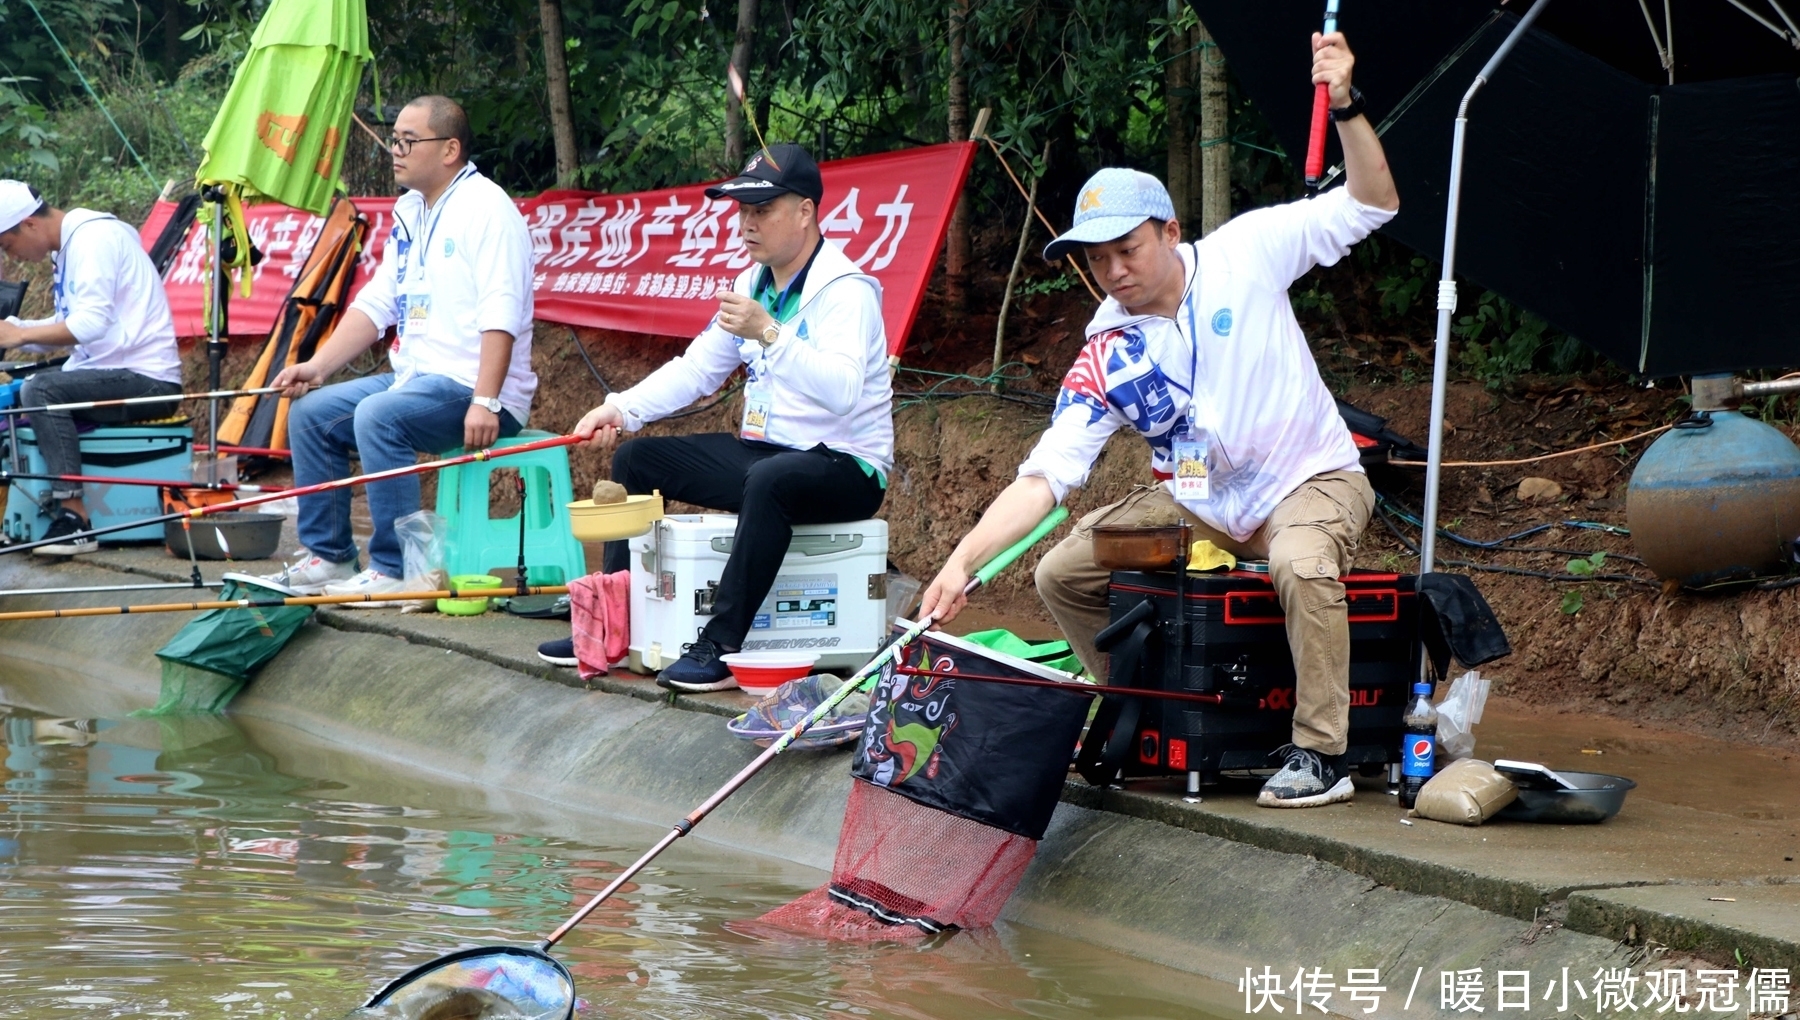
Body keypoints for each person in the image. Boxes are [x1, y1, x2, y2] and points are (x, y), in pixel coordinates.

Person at [919, 32, 1399, 808]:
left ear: (1171, 232)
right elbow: (1046, 476)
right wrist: (962, 561)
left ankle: (1322, 753)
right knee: (1062, 570)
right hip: (1201, 501)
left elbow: (1374, 202)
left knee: (1302, 564)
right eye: (1097, 259)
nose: (1114, 272)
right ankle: (1137, 715)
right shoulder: (1106, 351)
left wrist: (1344, 102)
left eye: (1129, 249)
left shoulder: (1250, 252)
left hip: (1310, 477)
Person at [542, 143, 893, 692]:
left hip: (846, 468)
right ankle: (613, 621)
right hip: (768, 457)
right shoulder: (754, 284)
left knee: (771, 479)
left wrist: (769, 334)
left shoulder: (846, 292)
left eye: (762, 211)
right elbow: (697, 371)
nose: (746, 225)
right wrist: (620, 408)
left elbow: (843, 393)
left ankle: (721, 644)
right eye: (742, 212)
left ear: (805, 212)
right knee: (637, 458)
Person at [263, 95, 536, 600]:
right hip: (417, 379)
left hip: (474, 388)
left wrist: (485, 399)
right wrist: (318, 366)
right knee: (311, 414)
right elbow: (377, 303)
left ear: (450, 149)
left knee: (377, 416)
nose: (395, 150)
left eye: (408, 141)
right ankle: (331, 557)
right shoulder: (413, 211)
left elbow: (503, 313)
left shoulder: (487, 210)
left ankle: (395, 569)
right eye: (394, 140)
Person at [0, 182, 183, 556]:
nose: (13, 256)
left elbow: (89, 326)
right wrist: (16, 332)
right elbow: (71, 324)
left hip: (148, 379)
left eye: (8, 245)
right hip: (109, 370)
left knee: (41, 390)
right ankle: (19, 516)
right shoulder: (71, 245)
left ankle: (76, 519)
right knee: (18, 392)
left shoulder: (93, 240)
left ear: (29, 224)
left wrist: (19, 335)